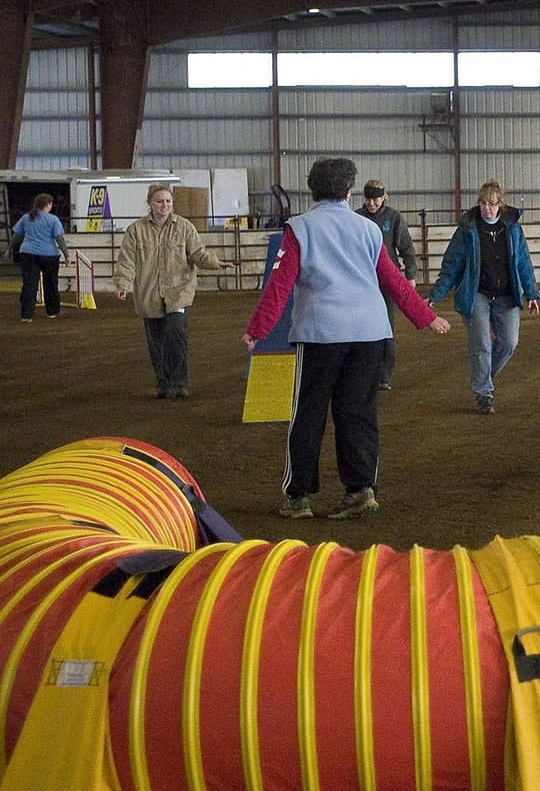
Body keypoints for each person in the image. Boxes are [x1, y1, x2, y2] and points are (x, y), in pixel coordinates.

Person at [243, 157, 451, 520]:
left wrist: (257, 330)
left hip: (321, 333)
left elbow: (280, 285)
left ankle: (299, 498)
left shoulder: (299, 229)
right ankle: (360, 490)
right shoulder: (369, 230)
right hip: (369, 333)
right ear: (349, 191)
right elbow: (394, 281)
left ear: (313, 190)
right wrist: (426, 316)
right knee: (358, 414)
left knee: (307, 415)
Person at [428, 179, 540, 415]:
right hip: (476, 294)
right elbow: (452, 264)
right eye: (482, 203)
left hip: (506, 296)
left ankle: (484, 376)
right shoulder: (467, 230)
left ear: (500, 204)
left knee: (509, 343)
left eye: (491, 203)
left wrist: (531, 293)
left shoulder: (513, 229)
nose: (486, 208)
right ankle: (484, 394)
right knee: (482, 345)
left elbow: (523, 263)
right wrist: (436, 295)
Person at [114, 183, 236, 398]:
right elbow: (127, 261)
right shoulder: (136, 230)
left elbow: (198, 253)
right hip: (148, 293)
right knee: (156, 341)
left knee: (176, 331)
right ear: (150, 203)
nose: (164, 205)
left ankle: (179, 383)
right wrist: (122, 284)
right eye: (160, 201)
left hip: (179, 291)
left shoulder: (185, 227)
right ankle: (163, 382)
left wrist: (216, 263)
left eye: (168, 201)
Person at [355, 179, 419, 389]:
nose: (372, 203)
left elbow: (406, 248)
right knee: (359, 326)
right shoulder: (356, 218)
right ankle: (362, 372)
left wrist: (410, 275)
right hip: (361, 279)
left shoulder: (394, 218)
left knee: (386, 326)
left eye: (376, 199)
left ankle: (384, 375)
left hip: (386, 280)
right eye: (368, 199)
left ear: (384, 197)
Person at [11, 194, 68, 323]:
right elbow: (59, 238)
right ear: (48, 205)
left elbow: (17, 236)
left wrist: (10, 249)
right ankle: (52, 312)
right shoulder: (53, 219)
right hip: (49, 255)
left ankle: (26, 315)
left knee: (29, 285)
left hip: (28, 254)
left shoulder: (26, 218)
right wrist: (66, 254)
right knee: (51, 284)